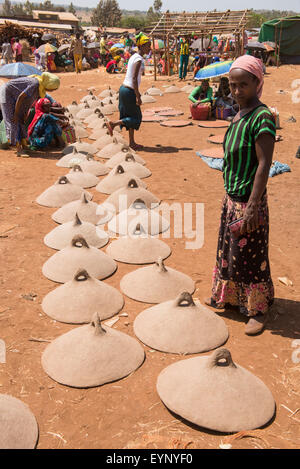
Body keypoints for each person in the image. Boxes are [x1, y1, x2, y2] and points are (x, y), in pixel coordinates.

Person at [205, 55, 276, 335]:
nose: (236, 91)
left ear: (257, 83)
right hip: (232, 199)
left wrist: (251, 206)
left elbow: (264, 164)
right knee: (230, 254)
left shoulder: (262, 117)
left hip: (249, 201)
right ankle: (232, 299)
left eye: (243, 85)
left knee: (251, 256)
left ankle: (257, 310)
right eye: (232, 85)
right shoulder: (238, 114)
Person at [107, 32, 151, 151]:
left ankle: (132, 142)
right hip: (129, 90)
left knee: (130, 115)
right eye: (147, 45)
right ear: (141, 46)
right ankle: (114, 124)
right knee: (136, 117)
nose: (149, 48)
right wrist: (138, 96)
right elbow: (134, 79)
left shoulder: (134, 56)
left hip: (124, 89)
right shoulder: (138, 60)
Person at [0, 72, 60, 156]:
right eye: (53, 88)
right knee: (13, 120)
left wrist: (24, 113)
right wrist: (17, 113)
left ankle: (24, 145)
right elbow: (21, 97)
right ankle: (18, 149)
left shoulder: (40, 88)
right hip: (7, 94)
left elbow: (28, 102)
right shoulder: (35, 84)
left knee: (22, 120)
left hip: (15, 98)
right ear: (49, 84)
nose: (53, 90)